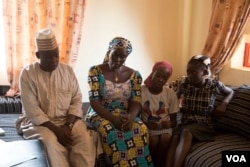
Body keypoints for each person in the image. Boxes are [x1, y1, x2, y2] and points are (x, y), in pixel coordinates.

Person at [16, 28, 97, 167]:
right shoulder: (27, 74)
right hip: (39, 123)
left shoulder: (67, 71)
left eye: (56, 55)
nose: (54, 60)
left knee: (84, 139)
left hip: (67, 120)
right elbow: (32, 110)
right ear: (38, 55)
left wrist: (68, 125)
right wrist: (57, 130)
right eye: (48, 57)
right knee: (50, 142)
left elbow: (77, 100)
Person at [85, 37, 154, 167]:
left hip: (124, 114)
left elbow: (136, 102)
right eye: (115, 54)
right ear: (109, 50)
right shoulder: (95, 71)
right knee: (109, 130)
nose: (118, 59)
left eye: (122, 57)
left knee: (141, 128)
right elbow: (94, 102)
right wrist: (113, 119)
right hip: (101, 113)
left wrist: (130, 118)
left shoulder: (135, 75)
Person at [165, 55, 234, 167]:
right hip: (186, 121)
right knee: (175, 137)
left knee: (187, 132)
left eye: (194, 72)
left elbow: (231, 92)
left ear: (204, 71)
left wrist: (224, 104)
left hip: (204, 124)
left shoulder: (214, 85)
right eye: (188, 72)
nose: (190, 75)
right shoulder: (185, 84)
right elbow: (174, 99)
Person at [141, 61, 179, 167]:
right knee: (153, 140)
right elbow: (135, 116)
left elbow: (174, 121)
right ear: (152, 73)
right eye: (158, 75)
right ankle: (150, 162)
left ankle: (159, 162)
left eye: (165, 78)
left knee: (165, 138)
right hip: (147, 126)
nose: (160, 80)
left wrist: (170, 124)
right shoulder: (141, 91)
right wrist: (145, 124)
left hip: (163, 127)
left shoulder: (170, 93)